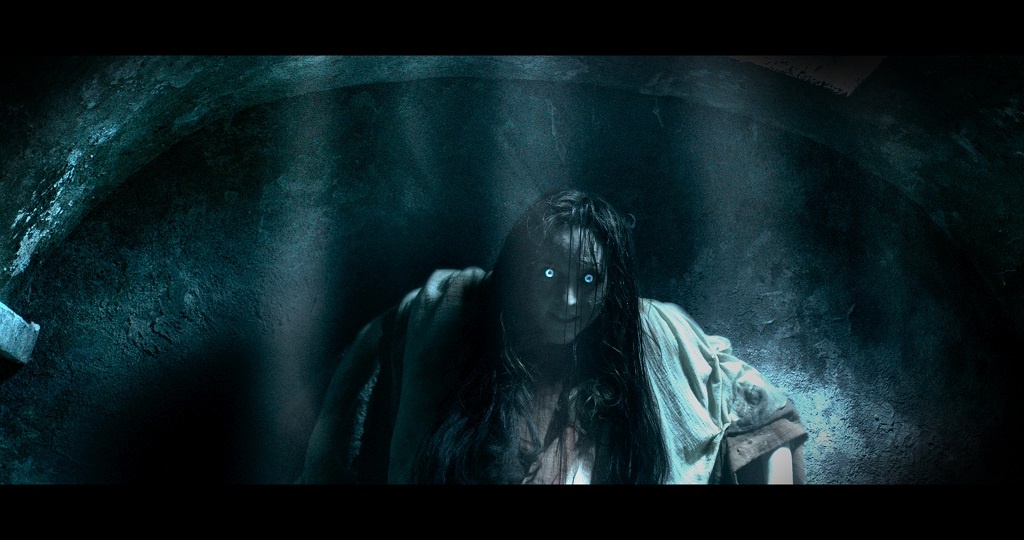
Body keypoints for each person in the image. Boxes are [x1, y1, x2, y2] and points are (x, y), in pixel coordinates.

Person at [298, 189, 807, 484]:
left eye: (587, 279)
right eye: (548, 275)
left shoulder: (650, 336)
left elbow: (767, 416)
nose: (568, 300)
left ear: (610, 286)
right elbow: (373, 348)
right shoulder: (462, 323)